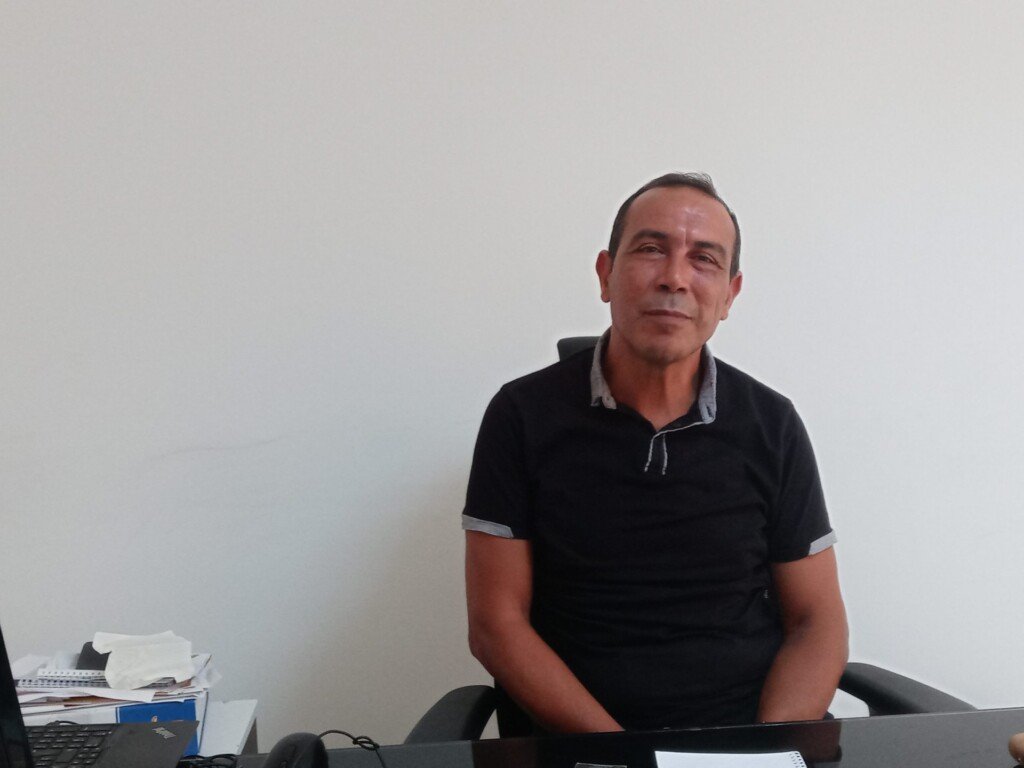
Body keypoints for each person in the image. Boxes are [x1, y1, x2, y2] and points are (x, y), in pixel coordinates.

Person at [462, 173, 849, 734]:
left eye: (704, 260)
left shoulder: (772, 424)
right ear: (605, 274)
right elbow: (496, 626)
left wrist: (767, 748)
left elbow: (817, 621)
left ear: (730, 295)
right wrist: (623, 756)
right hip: (581, 744)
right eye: (650, 249)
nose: (674, 278)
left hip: (741, 736)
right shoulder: (521, 416)